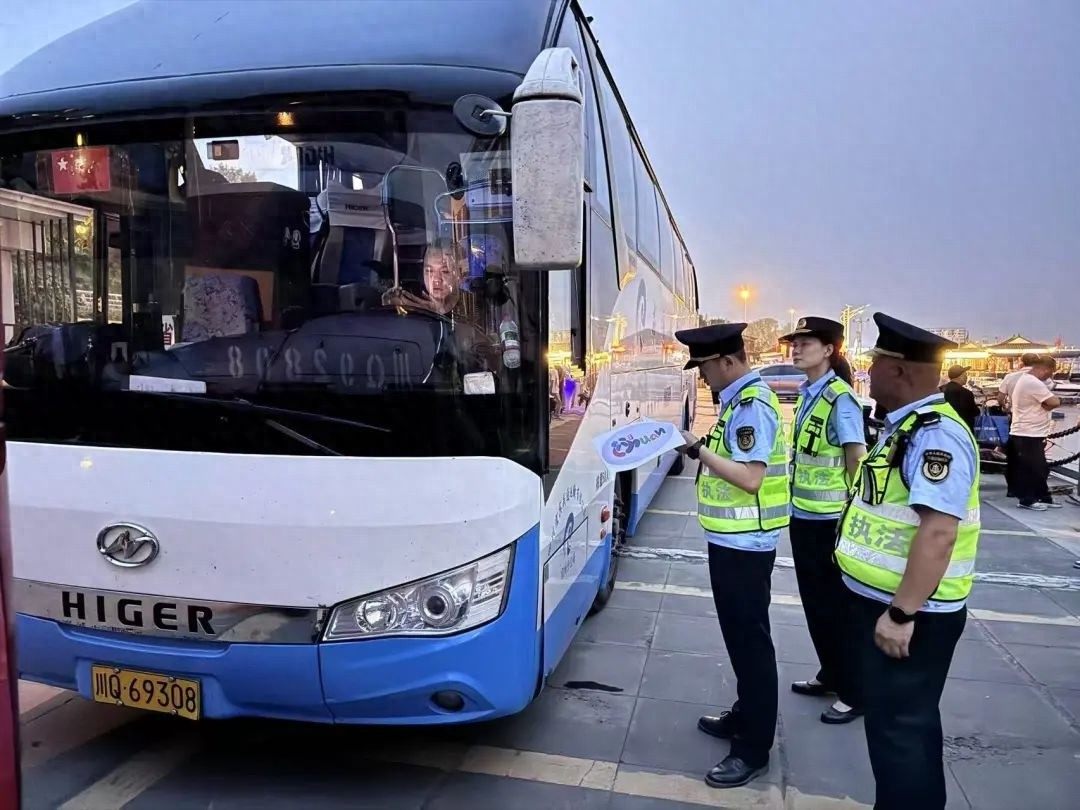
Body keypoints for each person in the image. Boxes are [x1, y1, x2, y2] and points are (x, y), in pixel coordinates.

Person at [834, 312, 980, 810]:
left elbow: (939, 532)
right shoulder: (908, 427)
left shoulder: (936, 435)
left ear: (897, 370)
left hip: (911, 615)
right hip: (887, 604)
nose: (867, 371)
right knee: (897, 728)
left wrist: (900, 614)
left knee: (901, 733)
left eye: (874, 362)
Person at [674, 323, 790, 789]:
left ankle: (753, 748)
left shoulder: (752, 405)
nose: (701, 376)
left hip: (746, 544)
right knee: (741, 640)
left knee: (751, 645)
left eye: (704, 367)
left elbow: (750, 478)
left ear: (727, 361)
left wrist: (698, 450)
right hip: (733, 541)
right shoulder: (738, 401)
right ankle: (746, 714)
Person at [780, 317, 867, 725]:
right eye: (794, 343)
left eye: (806, 343)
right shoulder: (808, 394)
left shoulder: (840, 398)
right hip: (804, 515)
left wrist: (853, 513)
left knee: (836, 608)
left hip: (830, 521)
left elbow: (855, 458)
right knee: (815, 604)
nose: (796, 349)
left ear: (830, 350)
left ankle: (855, 690)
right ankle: (831, 674)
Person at [1008, 355, 1062, 511]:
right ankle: (1027, 499)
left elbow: (1048, 402)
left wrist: (1047, 404)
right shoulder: (1032, 382)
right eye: (1050, 372)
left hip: (1032, 433)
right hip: (1027, 433)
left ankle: (1043, 496)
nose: (1050, 376)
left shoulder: (1026, 380)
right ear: (1044, 369)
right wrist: (1050, 404)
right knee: (1032, 468)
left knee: (1040, 468)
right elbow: (1054, 402)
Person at [939, 365, 979, 432]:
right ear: (961, 376)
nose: (966, 377)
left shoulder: (942, 391)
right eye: (965, 374)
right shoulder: (966, 393)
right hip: (964, 430)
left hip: (946, 429)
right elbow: (975, 412)